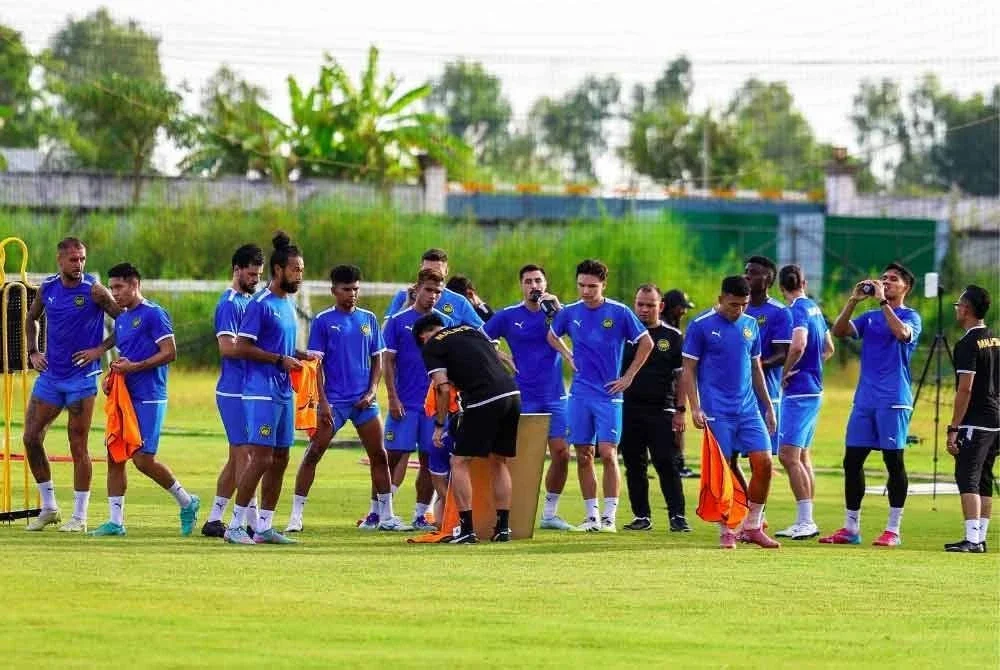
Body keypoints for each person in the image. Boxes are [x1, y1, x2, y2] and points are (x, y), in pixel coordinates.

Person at [286, 265, 407, 533]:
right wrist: (322, 402)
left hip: (364, 403)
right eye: (346, 289)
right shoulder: (323, 321)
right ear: (334, 290)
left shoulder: (368, 319)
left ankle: (387, 516)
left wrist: (372, 390)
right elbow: (316, 365)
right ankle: (296, 516)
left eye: (355, 289)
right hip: (334, 402)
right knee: (313, 453)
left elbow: (378, 358)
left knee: (379, 455)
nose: (352, 294)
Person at [88, 263, 200, 536]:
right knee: (115, 455)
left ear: (135, 284)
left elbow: (170, 352)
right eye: (112, 288)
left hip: (150, 396)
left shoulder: (154, 314)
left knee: (143, 460)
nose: (114, 293)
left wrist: (135, 367)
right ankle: (116, 522)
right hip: (125, 397)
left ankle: (187, 501)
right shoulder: (123, 319)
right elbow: (126, 356)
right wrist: (113, 376)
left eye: (119, 287)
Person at [22, 237, 121, 532]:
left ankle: (79, 517)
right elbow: (31, 318)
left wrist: (99, 350)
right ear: (60, 260)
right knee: (30, 438)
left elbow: (126, 321)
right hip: (51, 378)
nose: (79, 264)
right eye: (74, 259)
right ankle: (49, 507)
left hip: (82, 379)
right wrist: (33, 351)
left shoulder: (94, 290)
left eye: (82, 259)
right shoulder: (47, 289)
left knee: (78, 445)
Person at [547, 259, 653, 532]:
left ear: (603, 285)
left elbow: (647, 342)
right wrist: (567, 354)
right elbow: (552, 335)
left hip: (609, 394)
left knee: (607, 453)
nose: (586, 291)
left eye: (592, 286)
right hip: (580, 394)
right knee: (583, 454)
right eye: (581, 285)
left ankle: (609, 517)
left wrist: (628, 377)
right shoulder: (570, 312)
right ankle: (591, 516)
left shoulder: (619, 312)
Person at [675, 275, 780, 549]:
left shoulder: (750, 325)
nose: (739, 310)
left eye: (744, 305)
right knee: (723, 470)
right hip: (716, 410)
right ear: (721, 299)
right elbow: (688, 370)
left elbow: (755, 367)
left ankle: (753, 525)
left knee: (764, 463)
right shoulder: (700, 326)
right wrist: (695, 407)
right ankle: (727, 529)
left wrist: (768, 406)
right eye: (734, 304)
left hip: (748, 409)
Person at [822, 262, 922, 547]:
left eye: (893, 279)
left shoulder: (910, 316)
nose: (886, 282)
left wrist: (882, 302)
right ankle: (851, 528)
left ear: (906, 287)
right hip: (865, 399)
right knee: (852, 461)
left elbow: (902, 334)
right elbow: (839, 331)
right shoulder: (869, 317)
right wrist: (853, 301)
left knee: (894, 461)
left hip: (894, 400)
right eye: (883, 278)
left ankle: (893, 529)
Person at [223, 232, 309, 545]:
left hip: (284, 390)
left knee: (281, 457)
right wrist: (279, 360)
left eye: (302, 270)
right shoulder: (260, 304)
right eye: (295, 269)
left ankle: (264, 527)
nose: (299, 275)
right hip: (260, 391)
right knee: (260, 458)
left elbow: (279, 346)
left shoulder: (287, 304)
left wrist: (301, 355)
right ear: (278, 270)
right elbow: (242, 347)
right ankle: (235, 526)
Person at [414, 315, 521, 543]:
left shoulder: (432, 345)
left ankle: (467, 530)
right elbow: (495, 355)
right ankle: (503, 528)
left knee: (459, 462)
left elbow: (443, 388)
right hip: (512, 393)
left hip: (483, 398)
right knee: (498, 461)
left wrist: (439, 425)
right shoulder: (469, 329)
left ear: (424, 336)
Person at [484, 264, 573, 530]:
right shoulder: (508, 315)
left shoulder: (556, 313)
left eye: (538, 281)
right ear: (521, 286)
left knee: (561, 453)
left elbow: (579, 332)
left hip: (555, 395)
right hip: (523, 395)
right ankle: (510, 514)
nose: (534, 286)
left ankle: (549, 513)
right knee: (517, 457)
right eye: (528, 281)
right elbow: (480, 338)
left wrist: (559, 310)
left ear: (545, 284)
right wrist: (502, 356)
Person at [201, 244, 264, 538]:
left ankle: (215, 519)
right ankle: (251, 522)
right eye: (251, 274)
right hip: (234, 390)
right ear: (236, 270)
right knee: (245, 457)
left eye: (259, 275)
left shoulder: (250, 301)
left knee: (237, 456)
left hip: (247, 387)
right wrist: (265, 352)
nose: (255, 280)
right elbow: (226, 348)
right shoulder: (229, 304)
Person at [382, 268, 452, 530]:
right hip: (405, 402)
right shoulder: (398, 321)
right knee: (394, 455)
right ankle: (382, 512)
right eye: (429, 290)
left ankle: (421, 514)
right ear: (417, 289)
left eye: (438, 292)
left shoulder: (445, 323)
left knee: (429, 459)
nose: (433, 296)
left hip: (433, 406)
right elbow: (388, 361)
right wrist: (392, 397)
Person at [620, 284, 690, 532]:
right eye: (640, 304)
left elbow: (683, 376)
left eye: (650, 305)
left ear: (661, 306)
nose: (644, 309)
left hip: (662, 409)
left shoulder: (672, 337)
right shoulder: (624, 334)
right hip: (628, 408)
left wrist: (680, 410)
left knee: (666, 463)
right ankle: (642, 516)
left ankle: (677, 516)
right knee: (634, 465)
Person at [774, 265, 834, 540]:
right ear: (804, 283)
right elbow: (829, 348)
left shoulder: (796, 310)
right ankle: (807, 519)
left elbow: (798, 344)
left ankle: (806, 521)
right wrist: (813, 368)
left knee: (787, 456)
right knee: (802, 456)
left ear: (780, 287)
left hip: (799, 392)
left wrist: (786, 372)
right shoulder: (815, 308)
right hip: (814, 389)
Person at [944, 285, 998, 553]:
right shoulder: (995, 339)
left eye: (958, 305)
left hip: (976, 420)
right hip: (996, 418)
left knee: (968, 477)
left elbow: (965, 388)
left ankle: (972, 539)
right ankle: (980, 536)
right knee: (985, 478)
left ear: (966, 309)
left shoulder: (967, 344)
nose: (957, 309)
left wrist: (954, 427)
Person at [744, 256, 792, 455]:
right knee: (729, 455)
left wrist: (754, 366)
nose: (747, 276)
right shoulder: (736, 309)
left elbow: (783, 354)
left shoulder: (779, 312)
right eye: (746, 272)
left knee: (761, 457)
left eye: (753, 273)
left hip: (764, 394)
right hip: (735, 394)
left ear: (768, 280)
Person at [384, 248, 483, 329]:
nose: (431, 275)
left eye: (437, 271)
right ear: (420, 269)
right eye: (427, 271)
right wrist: (406, 306)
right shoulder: (404, 295)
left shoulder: (459, 301)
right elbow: (384, 333)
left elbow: (484, 333)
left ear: (446, 271)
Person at [663, 289, 698, 479]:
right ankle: (678, 465)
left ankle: (677, 464)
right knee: (676, 427)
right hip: (666, 387)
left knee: (676, 426)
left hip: (672, 385)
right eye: (681, 307)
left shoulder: (673, 329)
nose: (684, 311)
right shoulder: (667, 330)